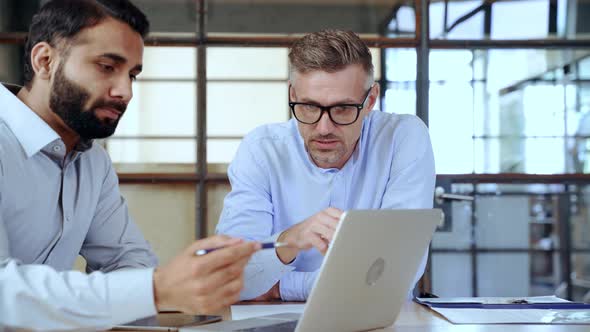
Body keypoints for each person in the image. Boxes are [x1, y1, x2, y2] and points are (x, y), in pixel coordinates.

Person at [0, 0, 259, 329]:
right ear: (45, 61)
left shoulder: (92, 162)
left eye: (133, 75)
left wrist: (174, 284)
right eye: (107, 67)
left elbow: (125, 259)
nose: (125, 92)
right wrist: (156, 288)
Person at [216, 29, 435, 301]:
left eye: (342, 109)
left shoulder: (403, 138)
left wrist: (280, 287)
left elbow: (393, 276)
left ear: (371, 100)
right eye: (309, 107)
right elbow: (230, 275)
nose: (323, 128)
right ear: (292, 94)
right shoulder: (262, 149)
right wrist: (289, 240)